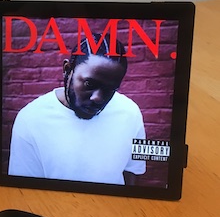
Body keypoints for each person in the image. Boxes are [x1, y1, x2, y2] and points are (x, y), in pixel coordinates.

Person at [8, 34, 146, 186]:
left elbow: (132, 172)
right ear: (67, 70)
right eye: (89, 84)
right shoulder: (31, 119)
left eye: (110, 89)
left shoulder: (130, 113)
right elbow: (25, 188)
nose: (98, 98)